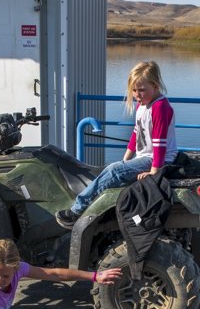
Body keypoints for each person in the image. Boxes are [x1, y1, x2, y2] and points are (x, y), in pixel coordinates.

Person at [56, 60, 178, 228]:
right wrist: (125, 160)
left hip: (158, 159)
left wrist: (154, 173)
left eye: (142, 90)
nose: (137, 94)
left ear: (155, 86)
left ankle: (78, 209)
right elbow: (136, 134)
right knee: (114, 168)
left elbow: (159, 144)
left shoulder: (160, 108)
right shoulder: (142, 105)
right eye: (134, 90)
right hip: (147, 157)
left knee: (114, 171)